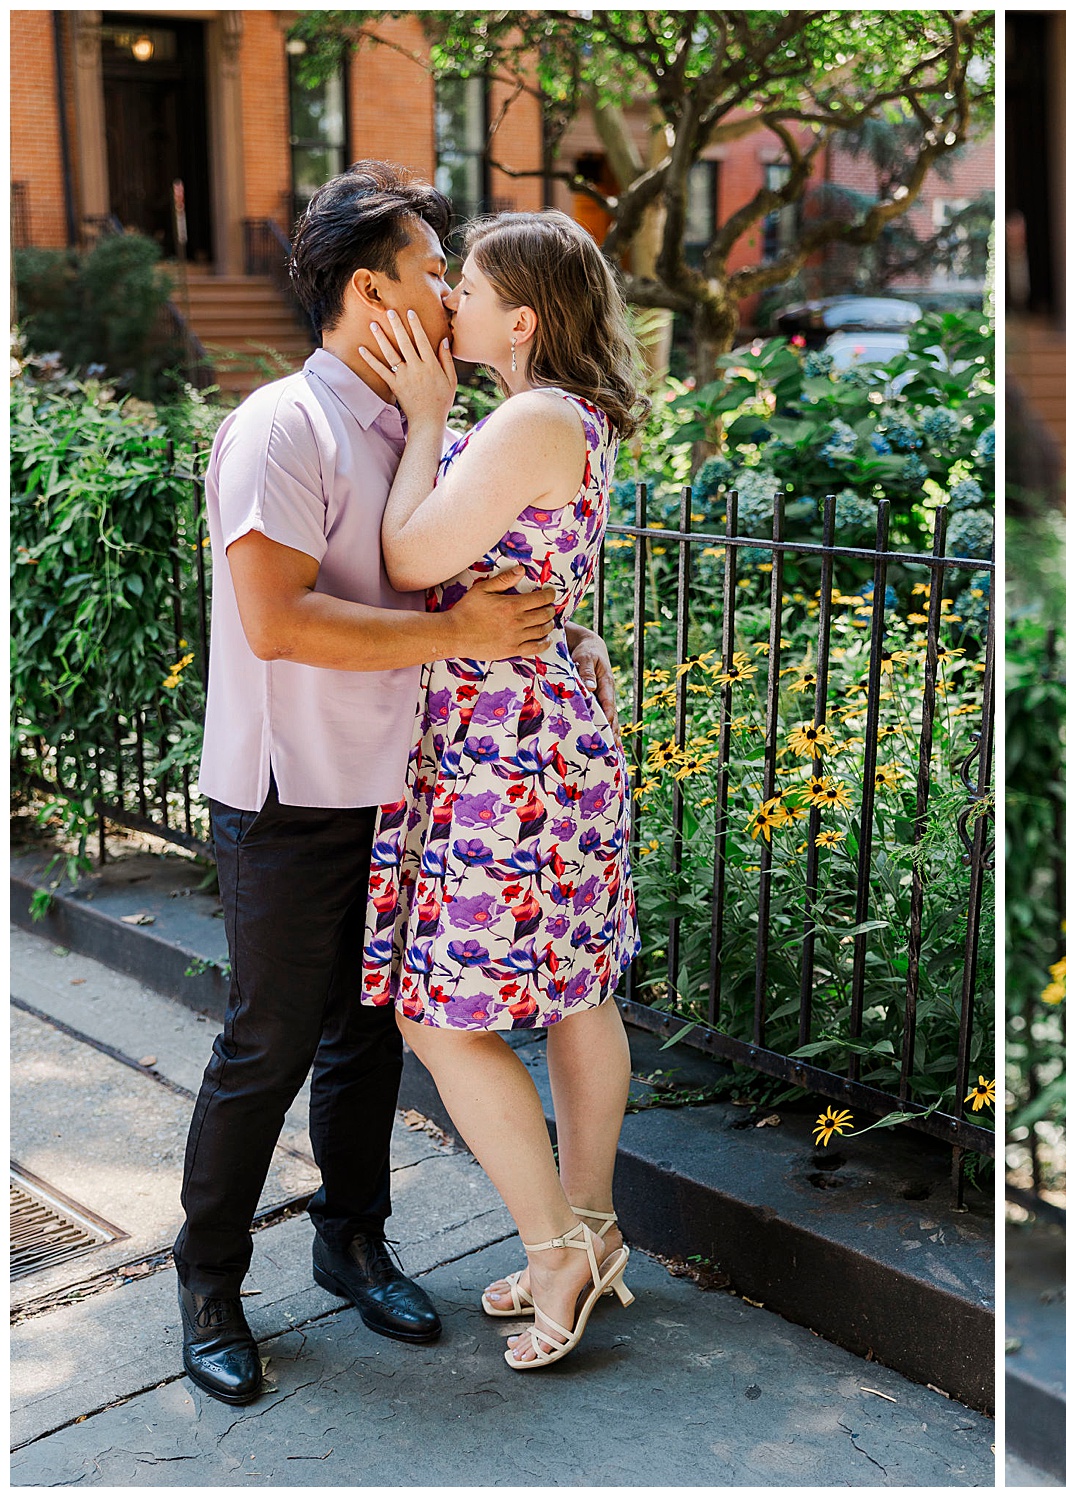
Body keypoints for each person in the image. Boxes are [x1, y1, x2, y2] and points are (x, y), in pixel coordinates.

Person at [180, 163, 617, 1406]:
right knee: (266, 1045)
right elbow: (276, 621)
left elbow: (483, 564)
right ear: (368, 288)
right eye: (432, 270)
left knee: (365, 1038)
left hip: (401, 786)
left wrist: (555, 631)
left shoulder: (420, 427)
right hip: (290, 786)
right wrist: (465, 633)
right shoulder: (284, 424)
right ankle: (209, 1278)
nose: (444, 288)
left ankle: (352, 1245)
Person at [358, 209, 644, 1371]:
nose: (447, 304)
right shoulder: (560, 412)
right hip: (535, 726)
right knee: (575, 995)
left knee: (437, 1013)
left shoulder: (525, 415)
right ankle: (592, 1229)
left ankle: (555, 1245)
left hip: (504, 744)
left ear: (520, 319)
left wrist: (425, 418)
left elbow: (411, 561)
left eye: (464, 289)